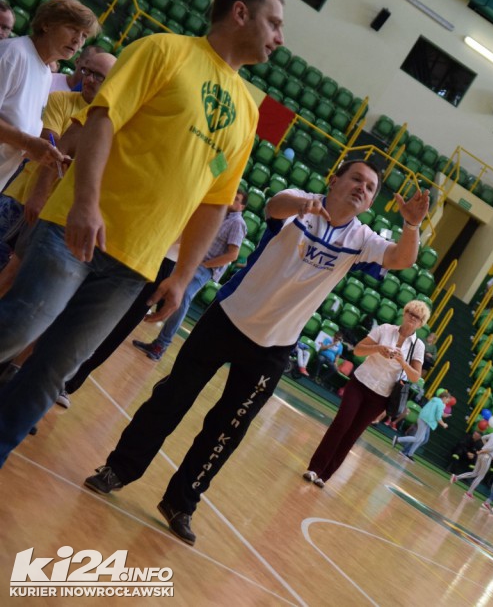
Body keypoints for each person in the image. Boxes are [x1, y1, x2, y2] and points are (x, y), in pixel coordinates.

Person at [0, 0, 286, 466]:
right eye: (274, 23)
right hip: (74, 231)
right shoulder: (164, 50)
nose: (279, 38)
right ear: (240, 13)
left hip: (135, 264)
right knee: (16, 329)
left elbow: (214, 200)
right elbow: (102, 119)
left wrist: (182, 276)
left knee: (53, 371)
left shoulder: (247, 111)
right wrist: (85, 203)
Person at [84, 160, 429, 545]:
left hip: (275, 346)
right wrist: (303, 206)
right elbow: (274, 205)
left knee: (227, 429)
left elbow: (402, 259)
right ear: (334, 180)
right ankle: (119, 469)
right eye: (356, 179)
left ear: (370, 202)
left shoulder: (362, 238)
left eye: (370, 187)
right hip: (228, 317)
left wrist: (411, 225)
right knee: (171, 397)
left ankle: (180, 502)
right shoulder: (300, 202)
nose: (362, 188)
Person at [0, 50, 116, 297]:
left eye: (98, 76)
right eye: (87, 71)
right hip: (24, 195)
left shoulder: (111, 122)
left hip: (59, 212)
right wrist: (41, 192)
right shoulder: (61, 99)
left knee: (15, 279)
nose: (89, 79)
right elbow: (51, 146)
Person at [304, 297, 431, 487]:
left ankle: (325, 475)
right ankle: (315, 468)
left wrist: (403, 362)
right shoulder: (385, 329)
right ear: (404, 313)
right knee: (341, 424)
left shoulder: (418, 346)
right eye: (411, 313)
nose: (413, 318)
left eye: (418, 317)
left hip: (380, 396)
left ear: (421, 323)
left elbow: (415, 376)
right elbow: (358, 350)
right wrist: (378, 348)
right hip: (360, 383)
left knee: (352, 434)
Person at [130, 189, 248, 362]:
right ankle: (148, 330)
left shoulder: (237, 222)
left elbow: (233, 255)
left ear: (242, 207)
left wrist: (205, 265)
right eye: (233, 196)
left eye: (237, 199)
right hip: (192, 261)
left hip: (204, 267)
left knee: (182, 298)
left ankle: (161, 345)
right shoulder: (221, 215)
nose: (232, 200)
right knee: (168, 288)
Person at [0, 0, 91, 190]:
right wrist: (28, 143)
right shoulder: (13, 54)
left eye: (84, 35)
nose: (78, 40)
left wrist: (47, 156)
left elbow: (15, 138)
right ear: (47, 24)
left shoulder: (46, 73)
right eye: (73, 28)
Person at [451, 424, 493, 498]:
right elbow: (491, 449)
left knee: (474, 473)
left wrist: (485, 447)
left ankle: (456, 477)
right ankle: (469, 492)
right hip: (487, 457)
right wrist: (483, 451)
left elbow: (483, 438)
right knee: (480, 476)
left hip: (482, 454)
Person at [393, 389, 449, 459]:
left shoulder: (434, 399)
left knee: (421, 439)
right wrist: (444, 424)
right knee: (417, 438)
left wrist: (443, 414)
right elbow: (438, 417)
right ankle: (398, 439)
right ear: (444, 398)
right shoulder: (440, 404)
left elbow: (435, 411)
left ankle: (409, 454)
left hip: (422, 418)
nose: (447, 402)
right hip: (425, 420)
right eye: (447, 400)